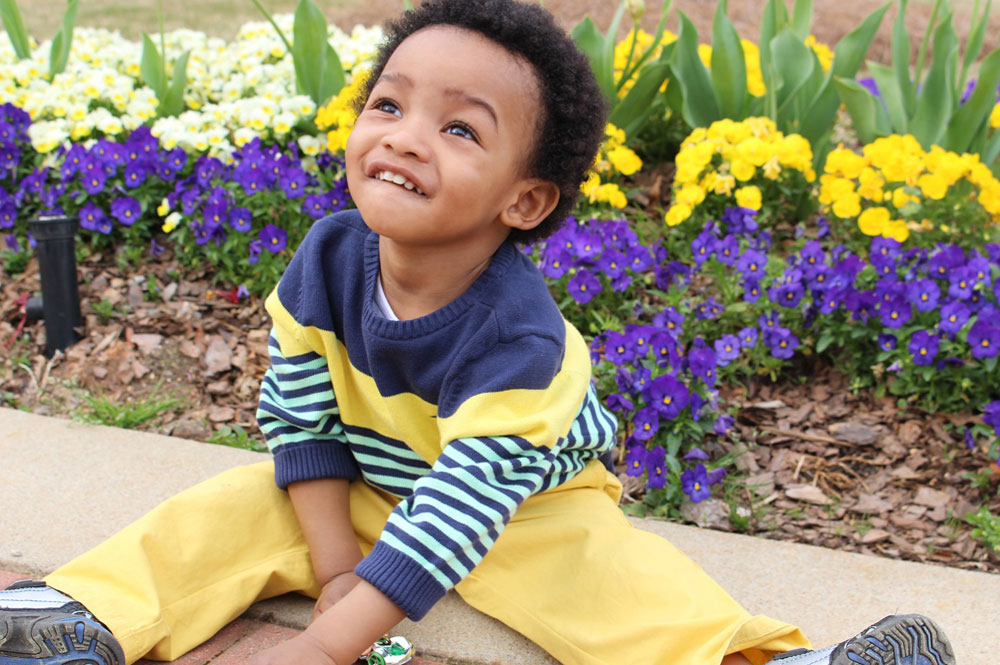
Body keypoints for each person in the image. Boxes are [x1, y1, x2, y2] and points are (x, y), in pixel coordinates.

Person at [0, 1, 957, 665]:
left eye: (461, 130)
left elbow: (462, 508)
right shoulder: (327, 259)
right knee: (228, 507)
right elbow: (298, 418)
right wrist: (339, 573)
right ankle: (79, 614)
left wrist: (324, 643)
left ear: (526, 199)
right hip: (372, 478)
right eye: (389, 102)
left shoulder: (520, 339)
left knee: (609, 582)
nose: (407, 135)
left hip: (519, 506)